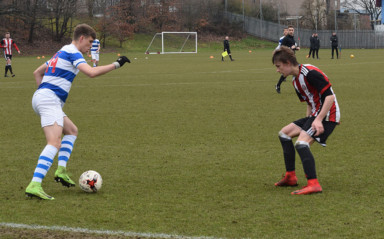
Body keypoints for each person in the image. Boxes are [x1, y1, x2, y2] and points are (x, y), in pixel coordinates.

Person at [25, 24, 130, 200]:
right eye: (89, 42)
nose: (90, 46)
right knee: (54, 142)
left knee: (72, 131)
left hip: (45, 99)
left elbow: (37, 72)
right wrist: (116, 64)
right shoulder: (73, 52)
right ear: (81, 38)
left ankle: (61, 170)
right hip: (48, 99)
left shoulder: (61, 52)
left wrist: (43, 94)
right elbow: (91, 73)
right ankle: (35, 184)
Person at [272, 46, 340, 195]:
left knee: (302, 143)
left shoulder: (310, 73)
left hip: (328, 115)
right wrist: (310, 120)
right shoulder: (295, 81)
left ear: (288, 63)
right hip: (316, 114)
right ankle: (290, 177)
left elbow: (330, 97)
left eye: (279, 66)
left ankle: (314, 184)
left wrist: (318, 120)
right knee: (284, 134)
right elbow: (310, 101)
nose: (278, 70)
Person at [275, 25, 300, 94]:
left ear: (293, 31)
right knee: (294, 71)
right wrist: (290, 48)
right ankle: (297, 89)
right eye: (290, 30)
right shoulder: (285, 38)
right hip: (287, 57)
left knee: (291, 72)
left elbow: (292, 47)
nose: (291, 31)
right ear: (288, 31)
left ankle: (278, 85)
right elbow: (282, 48)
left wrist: (296, 48)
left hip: (292, 56)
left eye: (292, 30)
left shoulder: (292, 38)